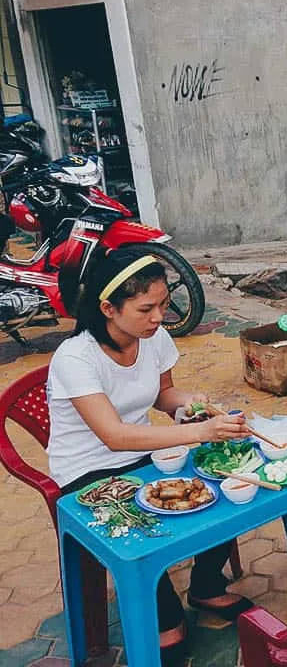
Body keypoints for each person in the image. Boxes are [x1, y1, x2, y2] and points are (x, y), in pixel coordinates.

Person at [48, 249, 253, 655]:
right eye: (146, 308)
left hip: (139, 455)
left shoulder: (153, 337)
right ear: (108, 308)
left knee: (220, 482)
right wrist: (200, 431)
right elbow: (114, 436)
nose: (159, 317)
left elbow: (162, 396)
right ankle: (162, 610)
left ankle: (207, 585)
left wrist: (191, 406)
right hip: (87, 470)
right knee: (144, 527)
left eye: (162, 304)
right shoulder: (75, 357)